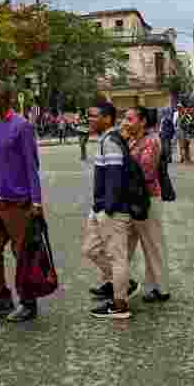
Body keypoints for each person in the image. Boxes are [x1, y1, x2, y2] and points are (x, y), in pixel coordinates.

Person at [0, 80, 44, 322]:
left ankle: (28, 303)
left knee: (22, 255)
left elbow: (32, 166)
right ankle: (2, 299)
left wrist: (36, 203)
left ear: (5, 99)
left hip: (20, 203)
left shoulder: (22, 126)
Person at [82, 101, 140, 319]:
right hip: (102, 208)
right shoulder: (107, 139)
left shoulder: (111, 142)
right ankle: (123, 284)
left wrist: (108, 209)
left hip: (113, 210)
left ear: (107, 119)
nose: (90, 119)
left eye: (94, 116)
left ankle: (120, 305)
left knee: (117, 257)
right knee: (91, 249)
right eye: (89, 116)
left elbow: (115, 179)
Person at [123, 106, 171, 303]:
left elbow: (146, 171)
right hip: (132, 199)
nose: (125, 122)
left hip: (147, 199)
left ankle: (160, 287)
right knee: (123, 244)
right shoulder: (132, 140)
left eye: (130, 119)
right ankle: (117, 282)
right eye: (124, 118)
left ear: (142, 121)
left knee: (152, 245)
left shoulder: (151, 141)